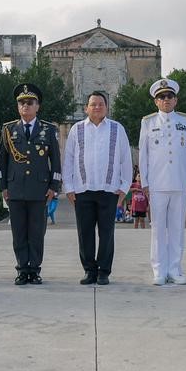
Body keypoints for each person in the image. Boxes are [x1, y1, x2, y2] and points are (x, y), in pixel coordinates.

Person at [62, 91, 133, 285]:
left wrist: (124, 187)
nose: (97, 107)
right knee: (85, 232)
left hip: (109, 189)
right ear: (86, 108)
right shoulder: (77, 130)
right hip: (82, 190)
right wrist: (68, 187)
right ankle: (89, 270)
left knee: (106, 232)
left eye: (101, 104)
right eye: (93, 104)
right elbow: (68, 159)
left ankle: (104, 271)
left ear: (107, 107)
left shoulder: (117, 129)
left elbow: (126, 159)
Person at [0, 82, 61, 285]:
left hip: (39, 189)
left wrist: (54, 187)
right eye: (22, 103)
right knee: (18, 233)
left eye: (30, 102)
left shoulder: (48, 130)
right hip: (15, 189)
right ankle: (22, 269)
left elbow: (56, 161)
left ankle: (34, 269)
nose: (26, 106)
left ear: (37, 106)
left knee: (36, 233)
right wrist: (4, 187)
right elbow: (3, 161)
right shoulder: (8, 130)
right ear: (18, 107)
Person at [138, 77, 186, 285]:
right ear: (156, 101)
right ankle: (159, 270)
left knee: (177, 228)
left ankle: (175, 269)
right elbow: (143, 155)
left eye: (169, 96)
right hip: (157, 183)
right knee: (157, 228)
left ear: (176, 99)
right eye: (161, 97)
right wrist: (144, 182)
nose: (166, 100)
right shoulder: (148, 122)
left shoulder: (185, 121)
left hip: (180, 182)